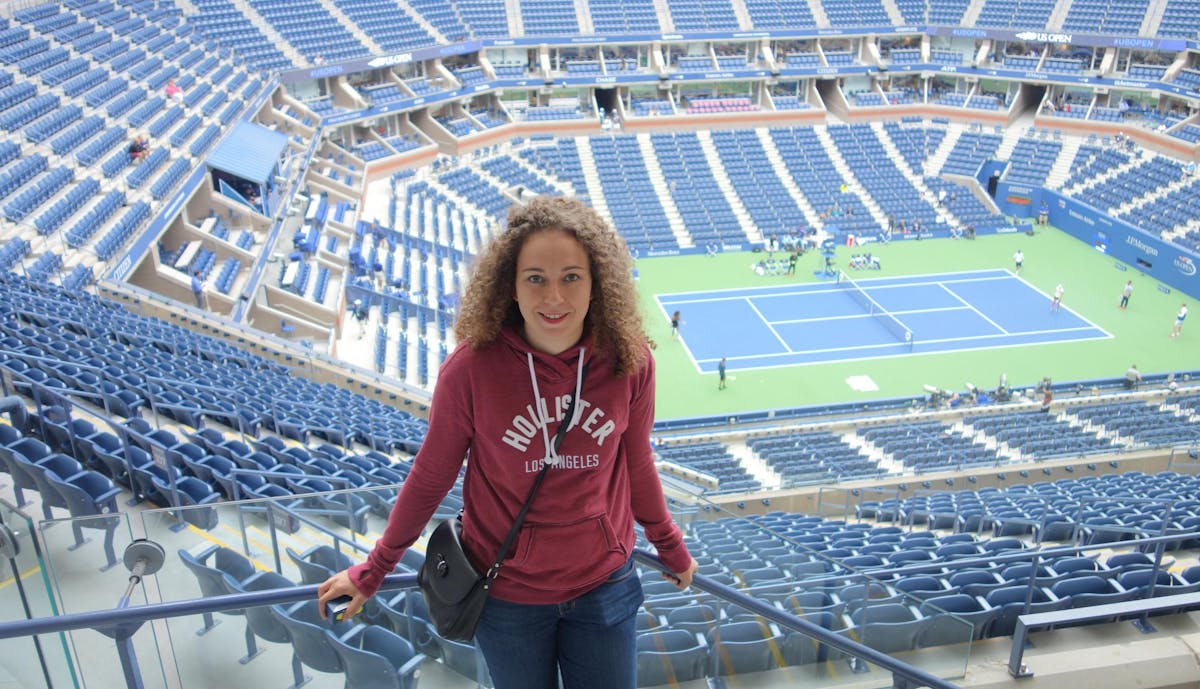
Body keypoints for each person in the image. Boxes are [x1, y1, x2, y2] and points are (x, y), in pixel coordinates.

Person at [317, 197, 697, 689]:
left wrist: (669, 545)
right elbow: (431, 477)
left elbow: (637, 462)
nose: (554, 297)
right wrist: (375, 569)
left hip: (605, 586)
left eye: (571, 277)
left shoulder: (630, 363)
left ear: (596, 282)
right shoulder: (471, 370)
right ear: (511, 287)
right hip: (507, 597)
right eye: (535, 278)